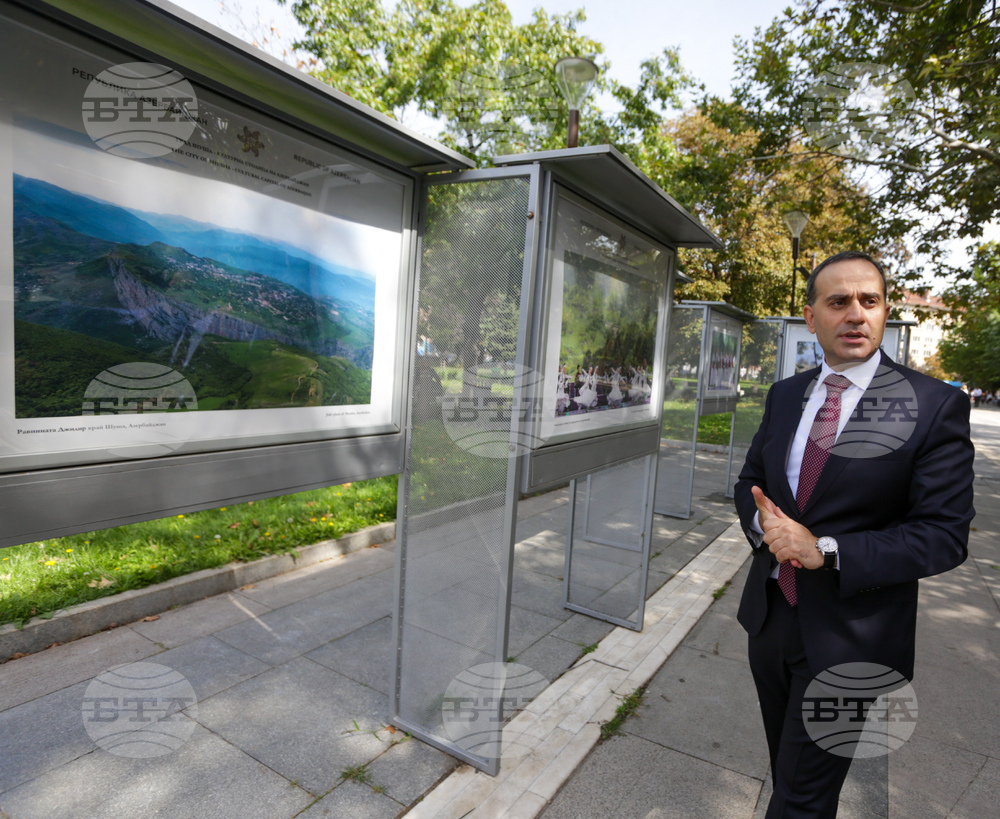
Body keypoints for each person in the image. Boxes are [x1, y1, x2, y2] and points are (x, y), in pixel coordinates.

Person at [734, 251, 975, 818]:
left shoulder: (932, 405)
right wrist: (765, 526)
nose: (856, 314)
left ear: (885, 311)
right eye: (838, 301)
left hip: (853, 639)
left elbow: (943, 535)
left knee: (800, 799)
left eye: (870, 301)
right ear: (810, 315)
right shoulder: (786, 395)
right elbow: (751, 483)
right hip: (770, 619)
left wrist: (824, 551)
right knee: (788, 773)